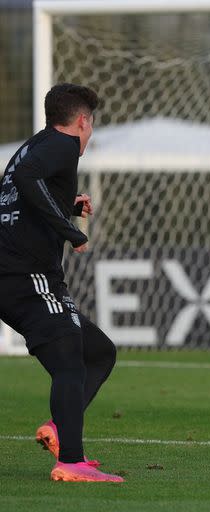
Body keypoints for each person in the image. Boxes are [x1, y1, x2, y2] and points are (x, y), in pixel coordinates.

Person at [0, 84, 124, 482]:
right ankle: (71, 461)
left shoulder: (34, 144)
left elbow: (20, 189)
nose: (90, 134)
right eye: (92, 125)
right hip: (27, 275)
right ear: (83, 120)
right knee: (70, 359)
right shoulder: (63, 146)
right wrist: (71, 230)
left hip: (16, 272)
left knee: (99, 352)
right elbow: (27, 178)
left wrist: (66, 205)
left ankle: (59, 429)